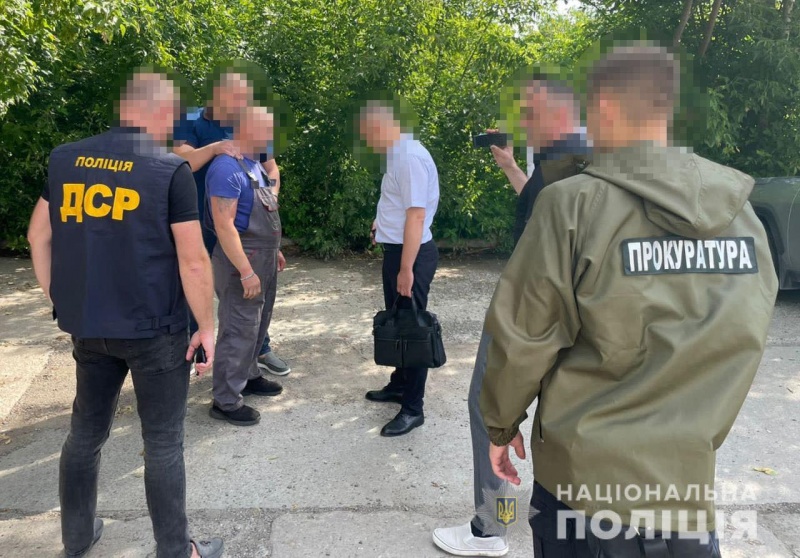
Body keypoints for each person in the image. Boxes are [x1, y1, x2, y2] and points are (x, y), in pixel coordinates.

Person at [480, 44, 778, 557]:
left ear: (606, 108)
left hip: (583, 489)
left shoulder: (571, 205)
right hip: (685, 494)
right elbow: (742, 337)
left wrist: (500, 425)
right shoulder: (741, 217)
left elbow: (524, 335)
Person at [26, 69, 224, 558]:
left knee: (84, 434)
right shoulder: (168, 170)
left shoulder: (65, 159)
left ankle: (77, 539)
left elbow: (37, 234)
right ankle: (175, 551)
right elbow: (193, 260)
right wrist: (207, 326)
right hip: (155, 330)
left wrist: (60, 297)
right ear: (154, 109)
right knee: (163, 442)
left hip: (90, 327)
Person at [433, 79, 590, 557]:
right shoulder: (570, 159)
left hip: (531, 313)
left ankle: (490, 529)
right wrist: (512, 167)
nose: (521, 123)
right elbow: (546, 215)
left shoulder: (571, 162)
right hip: (557, 311)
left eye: (527, 113)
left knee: (489, 409)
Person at [174, 63, 290, 377]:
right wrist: (215, 148)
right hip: (196, 223)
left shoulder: (247, 123)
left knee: (249, 290)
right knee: (194, 285)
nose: (243, 104)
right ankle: (196, 351)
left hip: (244, 227)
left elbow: (271, 169)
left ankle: (259, 349)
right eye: (237, 97)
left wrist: (269, 198)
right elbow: (181, 161)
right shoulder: (190, 120)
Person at [360, 100, 440, 437]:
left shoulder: (408, 157)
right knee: (398, 323)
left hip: (412, 256)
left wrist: (406, 269)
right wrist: (382, 222)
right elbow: (400, 204)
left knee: (413, 329)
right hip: (399, 252)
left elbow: (417, 216)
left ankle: (413, 408)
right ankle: (399, 383)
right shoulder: (398, 154)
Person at [206, 105, 285, 427]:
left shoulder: (254, 165)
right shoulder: (226, 168)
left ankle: (248, 376)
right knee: (239, 328)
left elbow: (265, 210)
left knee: (258, 322)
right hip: (242, 260)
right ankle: (225, 400)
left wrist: (275, 249)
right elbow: (224, 225)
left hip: (263, 255)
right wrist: (246, 271)